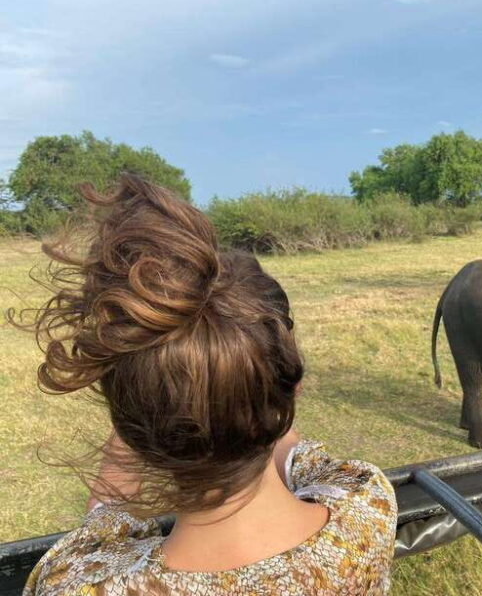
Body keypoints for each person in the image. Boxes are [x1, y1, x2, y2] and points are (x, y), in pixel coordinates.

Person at [18, 174, 397, 595]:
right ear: (292, 386)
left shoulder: (83, 585)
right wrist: (249, 375)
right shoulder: (366, 511)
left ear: (131, 427)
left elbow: (103, 524)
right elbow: (305, 459)